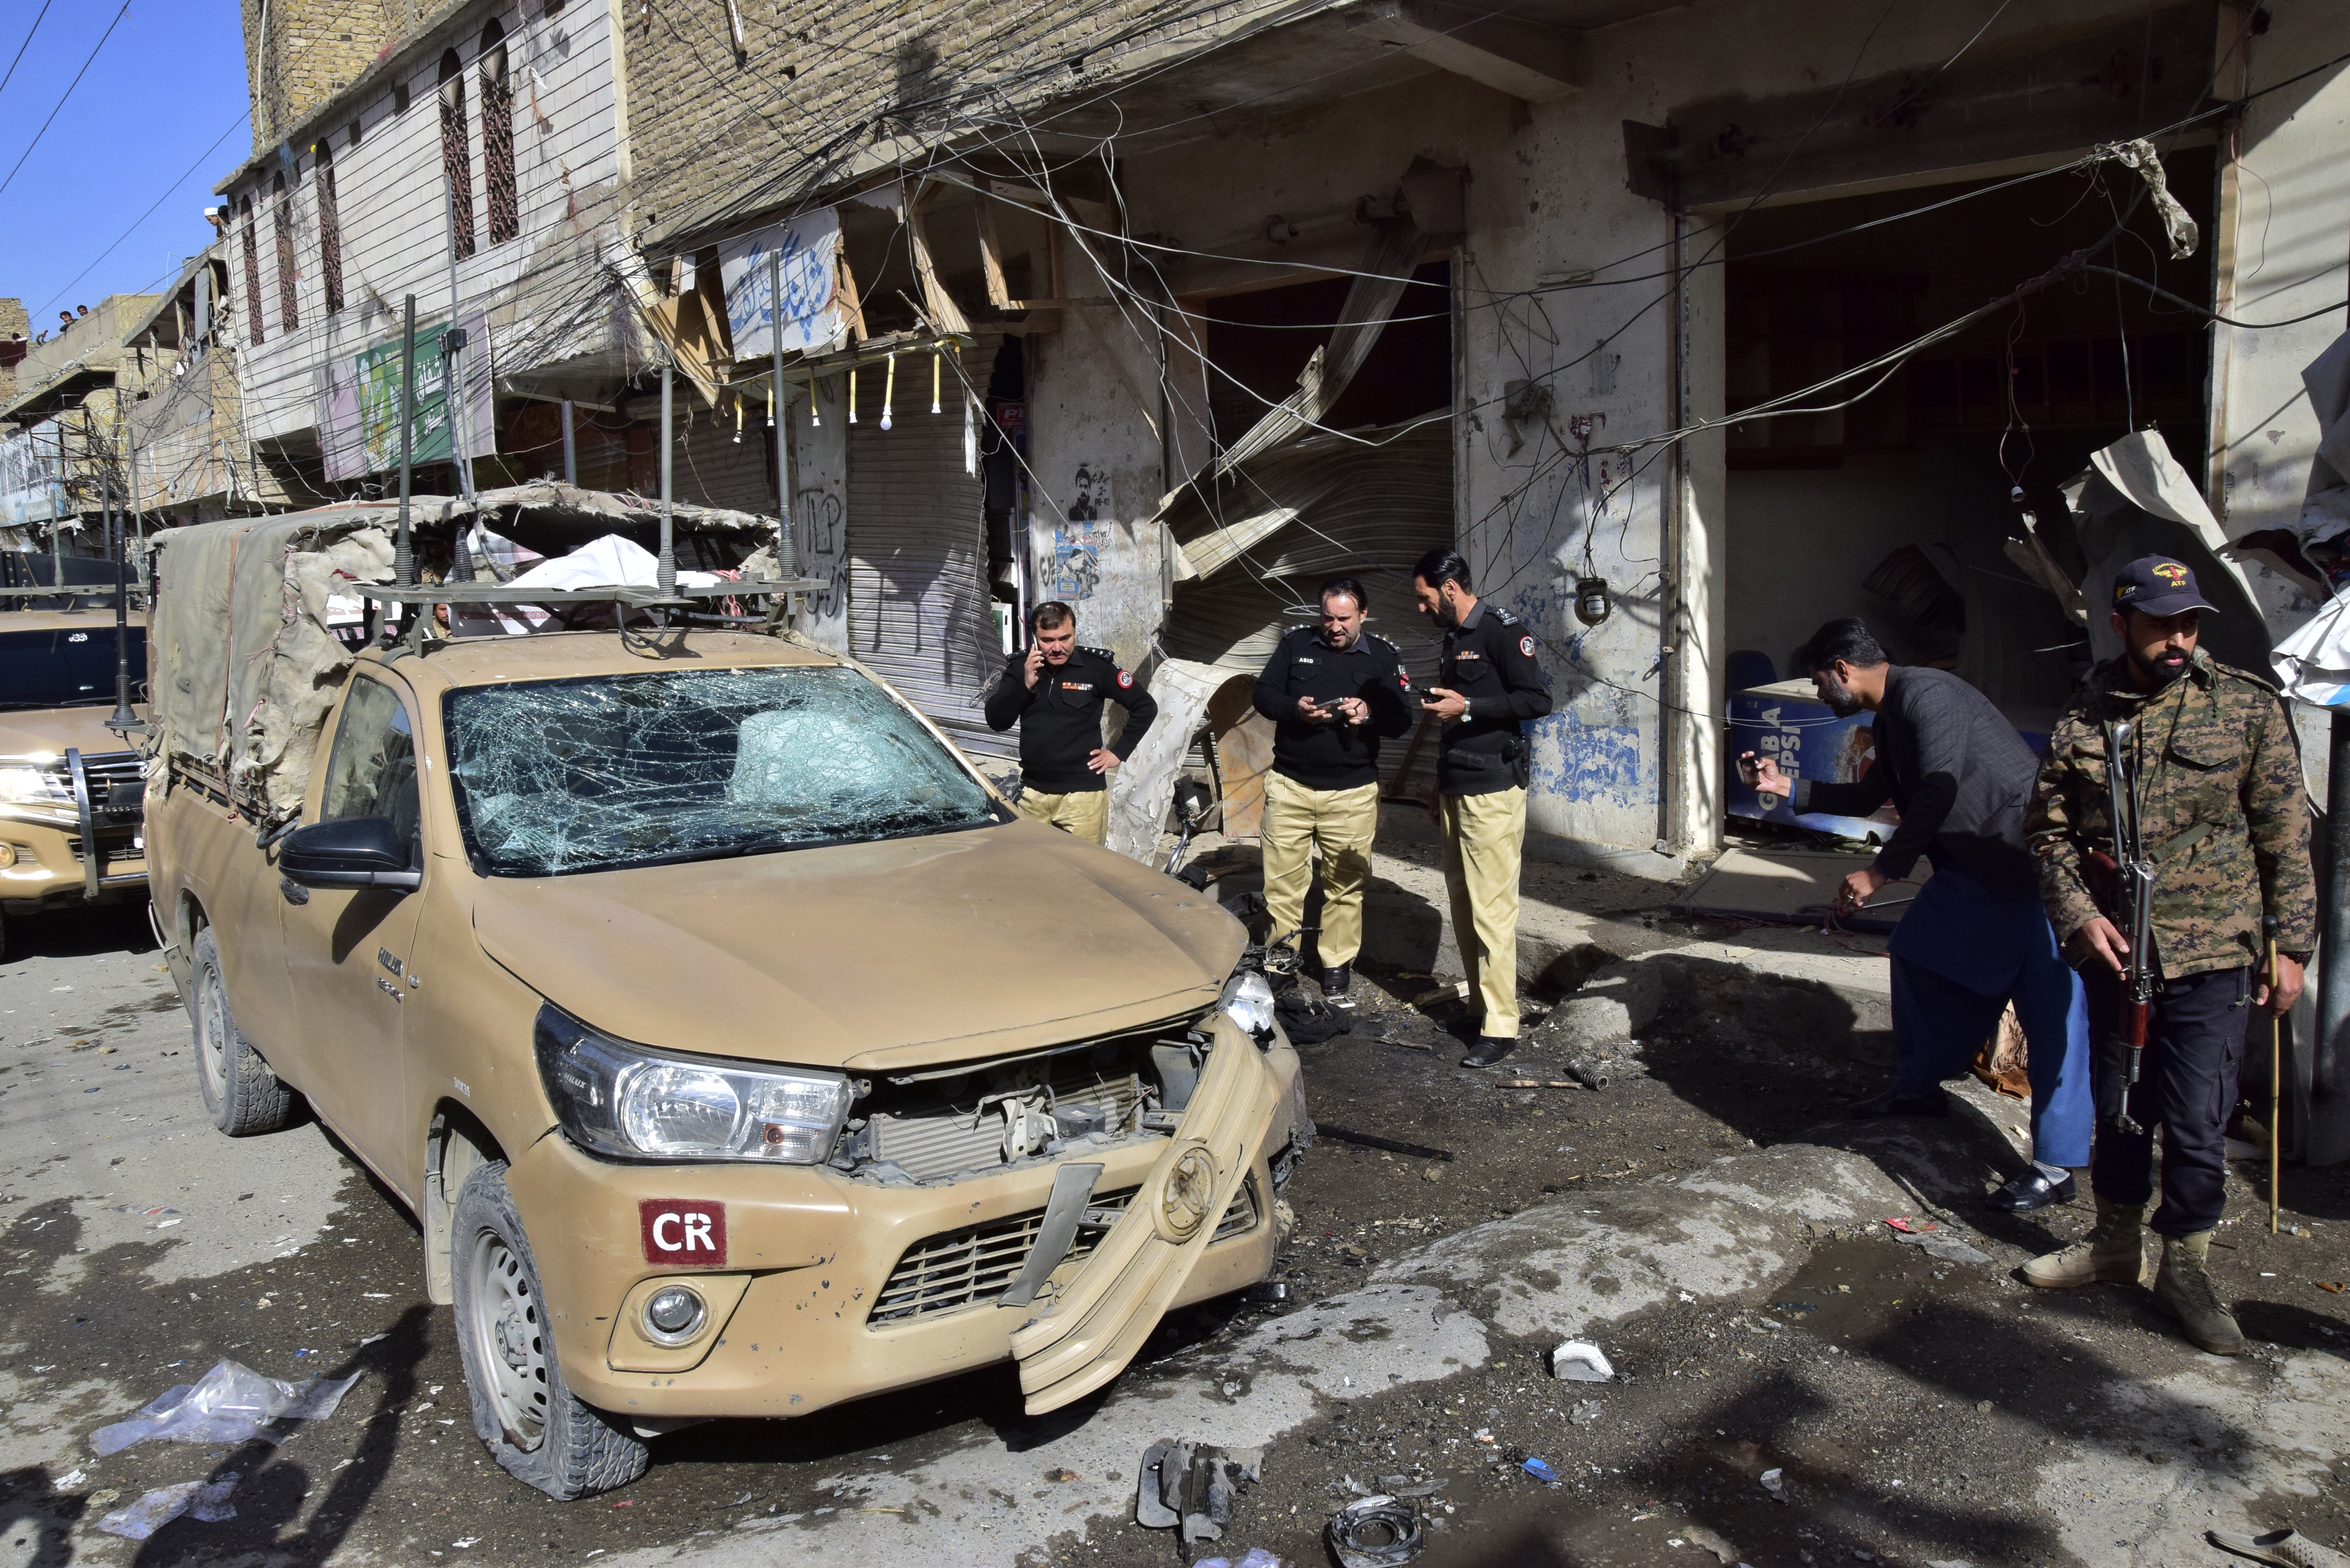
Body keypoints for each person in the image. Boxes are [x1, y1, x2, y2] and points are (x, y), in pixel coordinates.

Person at [2019, 556, 2312, 1355]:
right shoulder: (2086, 715)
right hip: (2119, 955)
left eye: (2188, 624)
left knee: (2194, 1119)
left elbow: (2285, 839)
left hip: (2215, 953)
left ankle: (2186, 1270)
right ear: (2121, 624)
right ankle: (2115, 1244)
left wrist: (2292, 948)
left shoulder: (2245, 708)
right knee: (2121, 1108)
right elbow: (2046, 833)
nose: (2178, 639)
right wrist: (2077, 916)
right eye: (2160, 625)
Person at [1741, 616, 2092, 1212]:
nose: (1820, 695)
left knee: (2052, 1009)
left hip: (2028, 866)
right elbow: (1863, 796)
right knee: (1916, 953)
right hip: (1973, 866)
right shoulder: (1890, 716)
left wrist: (1880, 872)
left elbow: (1937, 789)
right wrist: (1784, 787)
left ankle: (2057, 1165)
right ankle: (1920, 1086)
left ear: (1843, 670)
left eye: (1819, 683)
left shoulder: (1929, 694)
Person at [1412, 548, 1552, 1068]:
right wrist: (1437, 782)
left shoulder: (1499, 630)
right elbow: (1450, 719)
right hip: (1457, 784)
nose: (1421, 610)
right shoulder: (1453, 637)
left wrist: (1468, 705)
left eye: (1424, 599)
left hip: (1493, 787)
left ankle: (1500, 1026)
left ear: (1449, 589)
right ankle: (1478, 1005)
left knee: (1492, 910)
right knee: (1464, 904)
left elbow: (1536, 701)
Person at [1252, 577, 1414, 1002]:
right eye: (1327, 617)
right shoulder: (1295, 646)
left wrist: (1369, 712)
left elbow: (1401, 721)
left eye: (1344, 618)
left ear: (1363, 615)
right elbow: (1264, 695)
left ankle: (1337, 965)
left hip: (1351, 793)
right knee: (1283, 885)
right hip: (1290, 787)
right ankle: (1281, 964)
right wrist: (1296, 709)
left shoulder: (1383, 655)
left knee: (1346, 886)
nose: (1335, 626)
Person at [983, 601, 1156, 846]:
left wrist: (1118, 753)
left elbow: (1145, 707)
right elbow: (997, 721)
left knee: (1085, 874)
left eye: (1065, 638)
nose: (1057, 648)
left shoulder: (1097, 667)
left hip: (1082, 799)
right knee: (1033, 873)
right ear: (1035, 637)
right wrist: (1026, 683)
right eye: (1047, 640)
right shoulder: (1020, 668)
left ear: (1075, 632)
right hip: (1033, 796)